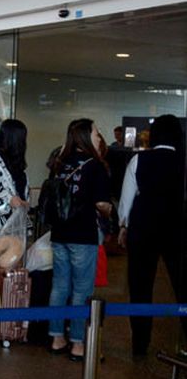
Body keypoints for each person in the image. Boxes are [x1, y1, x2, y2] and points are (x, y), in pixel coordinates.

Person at [118, 114, 185, 357]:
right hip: (177, 229)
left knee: (140, 286)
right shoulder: (183, 160)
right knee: (182, 285)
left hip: (143, 229)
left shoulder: (139, 159)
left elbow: (126, 200)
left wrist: (123, 226)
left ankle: (140, 344)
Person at [47, 118, 111, 362]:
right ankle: (77, 343)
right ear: (85, 136)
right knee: (82, 289)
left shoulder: (59, 162)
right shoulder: (95, 165)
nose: (98, 135)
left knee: (60, 285)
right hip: (83, 234)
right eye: (96, 132)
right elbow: (101, 203)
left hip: (59, 233)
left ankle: (56, 337)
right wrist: (110, 213)